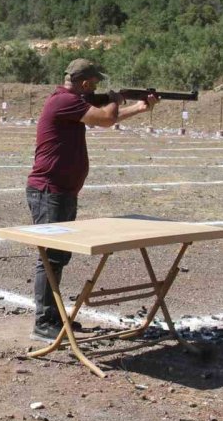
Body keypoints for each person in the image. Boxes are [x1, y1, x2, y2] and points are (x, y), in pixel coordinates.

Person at [26, 58, 157, 341]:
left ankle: (52, 317)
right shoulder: (63, 101)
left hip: (60, 191)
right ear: (85, 84)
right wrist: (113, 99)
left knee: (58, 256)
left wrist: (137, 107)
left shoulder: (71, 103)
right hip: (49, 191)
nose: (97, 88)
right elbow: (107, 118)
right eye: (95, 84)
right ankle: (44, 321)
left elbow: (102, 120)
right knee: (51, 257)